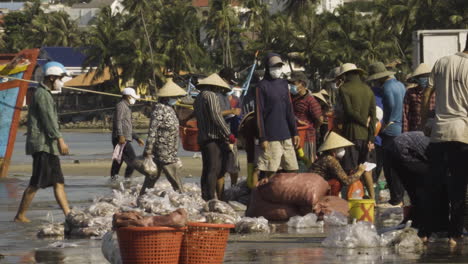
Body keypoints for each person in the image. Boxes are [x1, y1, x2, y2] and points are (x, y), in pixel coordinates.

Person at [419, 37, 468, 246]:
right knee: (459, 186)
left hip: (439, 133)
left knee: (434, 185)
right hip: (462, 133)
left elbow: (427, 93)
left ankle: (425, 233)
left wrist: (424, 121)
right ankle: (454, 235)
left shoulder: (442, 62)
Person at [14, 61, 71, 222]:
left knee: (59, 181)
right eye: (60, 78)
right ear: (51, 77)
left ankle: (68, 214)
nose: (61, 81)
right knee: (36, 182)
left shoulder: (45, 94)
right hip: (43, 146)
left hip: (49, 147)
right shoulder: (42, 95)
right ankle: (20, 215)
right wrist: (60, 140)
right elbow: (49, 120)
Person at [385, 130, 448, 230]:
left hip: (393, 149)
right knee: (427, 188)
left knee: (415, 192)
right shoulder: (440, 149)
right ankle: (425, 223)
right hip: (402, 150)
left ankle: (413, 221)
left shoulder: (436, 143)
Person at [367, 61, 405, 207]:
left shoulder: (386, 89)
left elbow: (388, 110)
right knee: (399, 165)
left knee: (389, 167)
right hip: (401, 128)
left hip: (390, 129)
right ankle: (399, 197)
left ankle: (396, 199)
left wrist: (383, 126)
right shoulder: (400, 85)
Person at [139, 78, 187, 196]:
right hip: (163, 152)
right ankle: (182, 197)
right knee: (174, 178)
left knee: (152, 177)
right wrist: (148, 150)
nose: (177, 99)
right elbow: (152, 131)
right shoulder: (159, 110)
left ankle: (142, 197)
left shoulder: (170, 109)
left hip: (169, 150)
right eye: (175, 97)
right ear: (167, 97)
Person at [336, 63, 376, 200]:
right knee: (365, 168)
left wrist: (362, 121)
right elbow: (373, 115)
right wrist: (371, 136)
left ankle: (351, 200)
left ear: (345, 75)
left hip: (350, 134)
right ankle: (372, 198)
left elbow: (348, 111)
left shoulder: (344, 89)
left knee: (350, 169)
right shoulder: (368, 89)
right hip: (365, 136)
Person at [256, 53, 299, 178]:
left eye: (279, 66)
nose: (277, 69)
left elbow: (289, 110)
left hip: (286, 134)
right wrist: (263, 138)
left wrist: (294, 132)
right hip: (271, 137)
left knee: (292, 169)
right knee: (271, 170)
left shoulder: (284, 84)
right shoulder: (262, 86)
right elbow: (259, 114)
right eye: (274, 66)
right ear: (268, 68)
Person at [194, 73, 234, 201]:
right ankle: (211, 197)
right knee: (213, 168)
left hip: (202, 137)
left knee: (206, 168)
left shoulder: (199, 96)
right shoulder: (211, 96)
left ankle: (205, 195)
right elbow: (216, 117)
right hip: (212, 137)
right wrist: (228, 133)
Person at [310, 132, 366, 196]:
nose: (343, 150)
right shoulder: (330, 159)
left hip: (314, 183)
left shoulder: (325, 156)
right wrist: (360, 172)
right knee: (336, 183)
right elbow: (346, 181)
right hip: (315, 186)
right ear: (333, 150)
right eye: (340, 148)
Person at [289, 71, 323, 164]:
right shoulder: (291, 98)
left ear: (302, 84)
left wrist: (311, 127)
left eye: (294, 84)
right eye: (290, 83)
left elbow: (320, 119)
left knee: (307, 164)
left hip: (307, 138)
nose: (291, 86)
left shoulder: (311, 101)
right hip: (293, 136)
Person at [110, 87, 144, 180]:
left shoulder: (127, 107)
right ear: (128, 96)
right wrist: (120, 135)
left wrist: (136, 138)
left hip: (124, 137)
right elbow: (118, 121)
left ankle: (114, 180)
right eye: (133, 97)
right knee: (133, 161)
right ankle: (127, 180)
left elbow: (127, 126)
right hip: (121, 138)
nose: (135, 99)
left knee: (118, 161)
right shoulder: (121, 105)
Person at [218, 68, 242, 185]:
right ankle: (220, 195)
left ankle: (232, 189)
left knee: (233, 166)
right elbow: (214, 114)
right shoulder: (215, 96)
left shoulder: (234, 99)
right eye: (230, 83)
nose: (231, 86)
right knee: (220, 170)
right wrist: (230, 111)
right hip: (219, 137)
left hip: (231, 136)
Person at [403, 63, 436, 132]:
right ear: (417, 79)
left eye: (427, 76)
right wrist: (405, 132)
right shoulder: (411, 92)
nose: (425, 79)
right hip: (415, 130)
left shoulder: (435, 92)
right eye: (422, 77)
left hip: (433, 131)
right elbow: (405, 115)